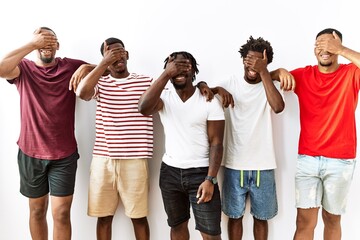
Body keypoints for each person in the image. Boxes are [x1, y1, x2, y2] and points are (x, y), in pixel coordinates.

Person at [0, 27, 89, 240]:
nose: (47, 45)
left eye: (51, 41)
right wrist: (33, 43)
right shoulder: (23, 68)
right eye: (42, 40)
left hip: (64, 154)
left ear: (57, 46)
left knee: (61, 213)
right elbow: (2, 69)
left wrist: (87, 67)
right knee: (37, 210)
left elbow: (107, 69)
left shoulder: (71, 66)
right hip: (30, 153)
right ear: (35, 44)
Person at [273, 28, 360, 240]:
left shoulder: (351, 73)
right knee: (303, 221)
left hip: (341, 161)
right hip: (308, 160)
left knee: (332, 219)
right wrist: (280, 71)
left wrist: (341, 48)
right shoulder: (305, 74)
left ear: (338, 48)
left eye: (330, 44)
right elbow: (272, 76)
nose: (325, 48)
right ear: (314, 49)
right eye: (320, 44)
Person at [207, 36, 289, 240]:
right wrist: (218, 89)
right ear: (242, 60)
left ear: (266, 63)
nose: (253, 66)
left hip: (264, 164)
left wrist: (265, 73)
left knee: (262, 218)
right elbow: (205, 91)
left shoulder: (270, 85)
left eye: (259, 62)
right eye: (249, 60)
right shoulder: (231, 82)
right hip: (235, 164)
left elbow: (278, 107)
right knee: (234, 217)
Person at [138, 51, 225, 240]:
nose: (179, 70)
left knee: (211, 234)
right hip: (170, 173)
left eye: (184, 66)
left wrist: (210, 179)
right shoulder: (165, 98)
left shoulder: (208, 100)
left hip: (201, 173)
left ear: (193, 70)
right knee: (177, 227)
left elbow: (217, 143)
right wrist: (165, 74)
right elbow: (143, 108)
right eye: (174, 67)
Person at [73, 38, 153, 240]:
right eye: (111, 53)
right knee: (104, 217)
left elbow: (171, 97)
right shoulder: (100, 82)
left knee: (139, 217)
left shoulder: (144, 81)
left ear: (127, 55)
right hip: (103, 160)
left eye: (121, 51)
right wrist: (101, 65)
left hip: (135, 159)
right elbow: (82, 93)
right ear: (105, 58)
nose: (118, 56)